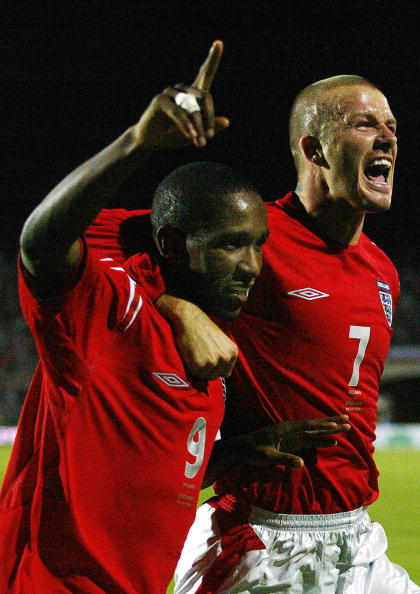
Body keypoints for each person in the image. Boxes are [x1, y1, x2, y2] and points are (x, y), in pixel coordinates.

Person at [0, 42, 351, 594]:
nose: (252, 267)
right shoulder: (110, 312)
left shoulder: (209, 366)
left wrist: (232, 455)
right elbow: (41, 244)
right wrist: (137, 143)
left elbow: (138, 483)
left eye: (259, 246)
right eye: (231, 246)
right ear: (170, 243)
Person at [159, 75, 419, 592]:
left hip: (358, 542)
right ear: (314, 149)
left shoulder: (382, 269)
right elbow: (117, 255)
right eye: (366, 123)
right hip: (259, 538)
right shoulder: (254, 232)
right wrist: (176, 307)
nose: (388, 136)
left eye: (391, 126)